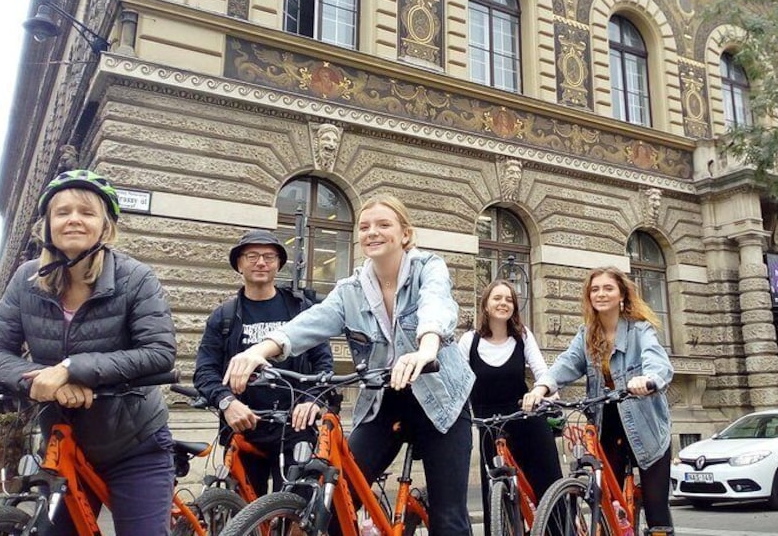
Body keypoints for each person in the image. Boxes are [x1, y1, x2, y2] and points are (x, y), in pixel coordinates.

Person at [223, 195, 475, 536]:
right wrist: (259, 352)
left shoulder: (428, 268)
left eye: (384, 225)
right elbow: (308, 323)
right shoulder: (351, 290)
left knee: (448, 519)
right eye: (365, 226)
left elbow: (437, 305)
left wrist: (425, 349)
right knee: (340, 505)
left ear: (405, 234)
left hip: (441, 400)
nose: (372, 232)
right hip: (385, 403)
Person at [0, 170, 177, 535]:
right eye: (62, 211)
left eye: (86, 212)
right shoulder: (26, 280)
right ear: (48, 226)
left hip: (134, 444)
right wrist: (43, 379)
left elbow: (159, 352)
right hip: (66, 444)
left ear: (105, 226)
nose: (73, 219)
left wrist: (73, 368)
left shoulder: (135, 277)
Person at [193, 229, 333, 496]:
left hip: (295, 428)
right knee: (245, 515)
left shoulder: (301, 311)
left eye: (269, 256)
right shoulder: (223, 317)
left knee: (296, 510)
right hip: (244, 428)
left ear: (279, 264)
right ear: (239, 264)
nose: (261, 262)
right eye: (252, 256)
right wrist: (227, 403)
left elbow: (323, 365)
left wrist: (312, 401)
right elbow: (204, 371)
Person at [538, 266, 675, 531]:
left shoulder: (640, 330)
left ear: (622, 294)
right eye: (595, 289)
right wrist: (541, 387)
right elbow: (567, 363)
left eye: (608, 288)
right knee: (607, 503)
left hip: (645, 425)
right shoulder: (587, 334)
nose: (601, 294)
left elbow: (656, 360)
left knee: (656, 509)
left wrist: (648, 380)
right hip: (606, 427)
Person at [458, 279, 562, 536]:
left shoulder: (522, 336)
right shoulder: (469, 341)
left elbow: (542, 373)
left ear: (514, 307)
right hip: (488, 424)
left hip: (525, 418)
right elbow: (456, 383)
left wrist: (541, 392)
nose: (503, 303)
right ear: (485, 304)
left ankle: (559, 529)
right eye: (497, 298)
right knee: (495, 494)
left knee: (547, 483)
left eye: (508, 299)